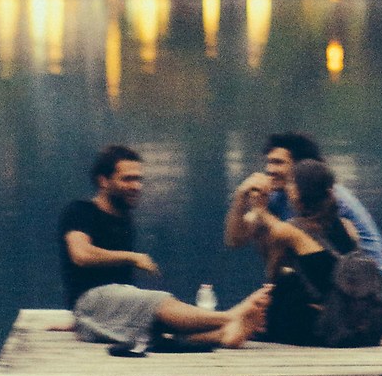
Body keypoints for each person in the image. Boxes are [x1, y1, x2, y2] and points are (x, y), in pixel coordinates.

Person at [58, 145, 269, 350]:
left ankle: (224, 335)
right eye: (128, 179)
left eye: (138, 179)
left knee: (160, 327)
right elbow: (81, 254)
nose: (136, 186)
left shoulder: (123, 219)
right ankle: (232, 316)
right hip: (91, 302)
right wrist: (132, 257)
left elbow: (121, 292)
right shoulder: (80, 210)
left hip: (107, 309)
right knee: (157, 302)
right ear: (103, 181)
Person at [242, 158, 382, 346]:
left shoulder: (288, 231)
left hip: (329, 324)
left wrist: (259, 209)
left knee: (284, 288)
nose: (287, 188)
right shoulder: (347, 226)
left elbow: (273, 276)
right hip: (358, 319)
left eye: (291, 184)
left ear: (297, 193)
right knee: (296, 282)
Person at [224, 131, 382, 280]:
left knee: (277, 229)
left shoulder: (327, 195)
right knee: (262, 227)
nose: (269, 169)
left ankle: (282, 289)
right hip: (331, 271)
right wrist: (240, 198)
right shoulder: (278, 194)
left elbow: (313, 239)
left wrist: (261, 212)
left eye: (278, 163)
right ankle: (281, 289)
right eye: (268, 162)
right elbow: (235, 240)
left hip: (366, 280)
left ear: (301, 166)